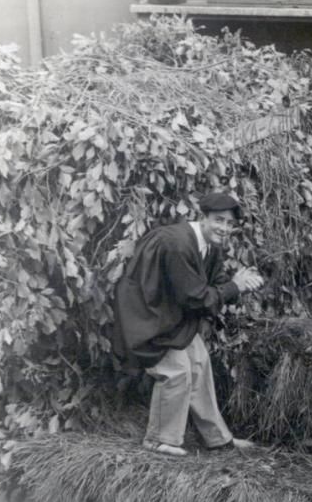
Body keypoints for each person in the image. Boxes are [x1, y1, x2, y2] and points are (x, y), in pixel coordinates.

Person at [113, 192, 265, 457]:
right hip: (148, 315)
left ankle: (218, 438)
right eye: (219, 221)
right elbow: (195, 298)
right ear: (202, 217)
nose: (225, 229)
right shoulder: (177, 243)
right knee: (177, 371)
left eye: (230, 224)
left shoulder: (210, 245)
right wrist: (234, 287)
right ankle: (158, 439)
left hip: (173, 315)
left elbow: (215, 284)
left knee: (199, 362)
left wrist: (236, 282)